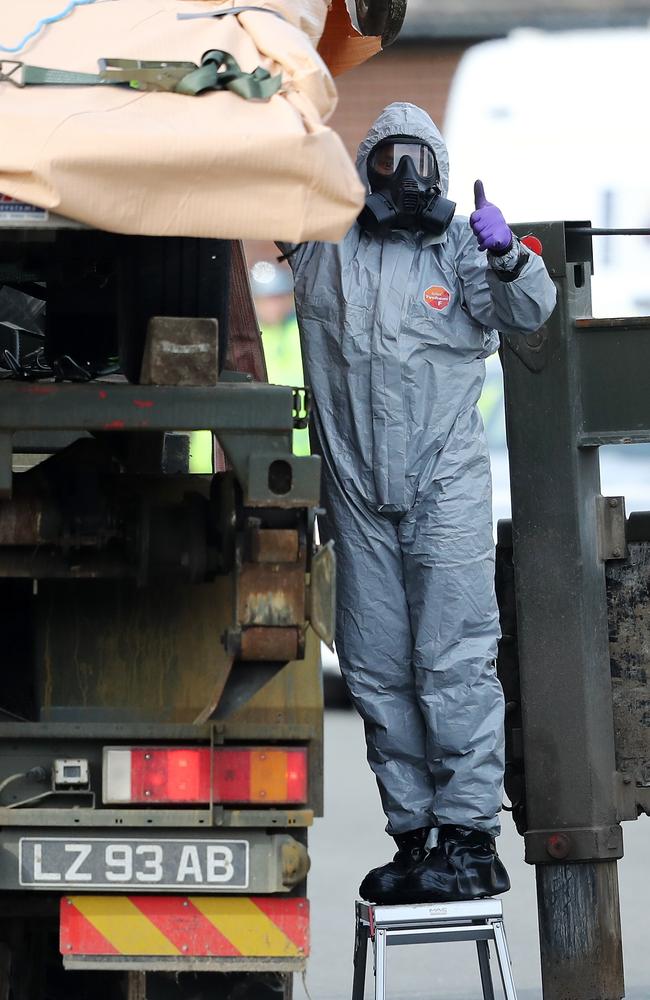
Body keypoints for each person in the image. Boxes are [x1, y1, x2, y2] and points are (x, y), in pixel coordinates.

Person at [279, 102, 556, 905]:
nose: (404, 178)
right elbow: (268, 205)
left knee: (455, 662)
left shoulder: (463, 250)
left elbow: (529, 317)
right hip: (357, 493)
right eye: (388, 162)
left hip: (444, 487)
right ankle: (415, 838)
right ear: (367, 167)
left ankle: (471, 842)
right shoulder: (324, 246)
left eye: (418, 162)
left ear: (438, 163)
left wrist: (509, 255)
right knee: (375, 670)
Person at [250, 260, 309, 457]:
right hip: (253, 450)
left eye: (277, 297)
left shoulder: (302, 332)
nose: (271, 305)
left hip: (302, 449)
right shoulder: (246, 338)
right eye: (263, 298)